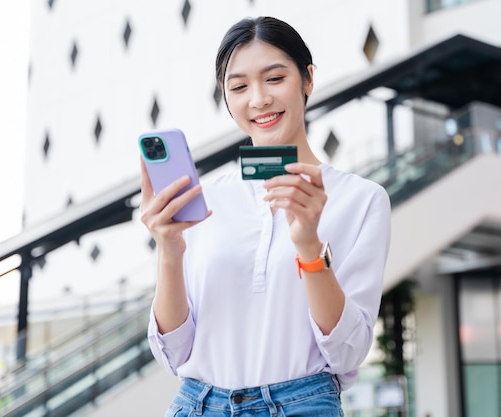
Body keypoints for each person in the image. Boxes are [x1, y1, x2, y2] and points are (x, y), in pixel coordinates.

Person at [141, 16, 391, 416]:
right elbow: (173, 352)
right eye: (238, 87)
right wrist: (169, 251)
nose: (258, 99)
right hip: (199, 404)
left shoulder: (361, 200)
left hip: (302, 405)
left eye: (275, 79)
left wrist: (309, 245)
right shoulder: (204, 200)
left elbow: (348, 351)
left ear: (307, 80)